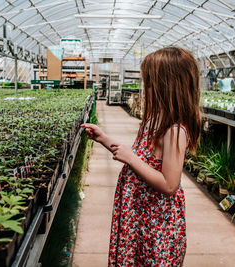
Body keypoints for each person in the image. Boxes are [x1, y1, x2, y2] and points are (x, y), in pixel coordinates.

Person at [81, 47, 201, 266]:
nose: (146, 89)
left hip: (156, 222)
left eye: (149, 83)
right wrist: (104, 138)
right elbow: (140, 156)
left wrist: (131, 159)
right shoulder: (154, 121)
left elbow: (169, 184)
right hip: (139, 215)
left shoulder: (175, 130)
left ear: (167, 86)